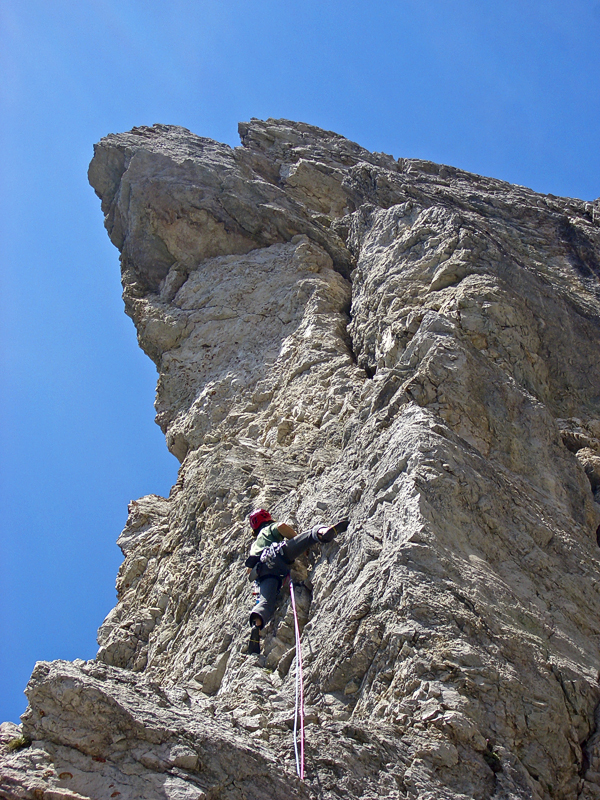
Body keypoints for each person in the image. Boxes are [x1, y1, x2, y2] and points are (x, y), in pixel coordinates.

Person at [245, 508, 349, 655]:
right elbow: (281, 527)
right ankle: (322, 533)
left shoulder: (254, 545)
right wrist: (297, 540)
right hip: (279, 556)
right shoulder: (268, 529)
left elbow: (249, 571)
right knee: (310, 534)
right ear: (267, 518)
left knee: (265, 603)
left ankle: (256, 625)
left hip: (265, 573)